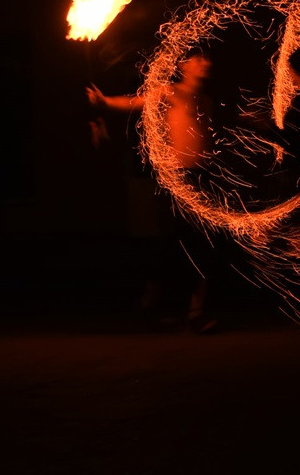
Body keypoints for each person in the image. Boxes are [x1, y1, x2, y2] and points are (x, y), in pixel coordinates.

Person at [87, 53, 220, 333]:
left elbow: (208, 144)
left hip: (202, 180)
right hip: (176, 181)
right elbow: (136, 102)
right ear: (183, 65)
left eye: (206, 60)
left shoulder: (205, 101)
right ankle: (152, 301)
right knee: (172, 245)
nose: (205, 63)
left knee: (202, 246)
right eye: (198, 59)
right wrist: (105, 102)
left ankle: (194, 311)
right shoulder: (169, 93)